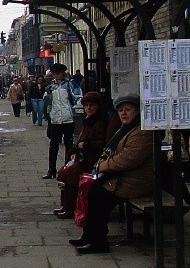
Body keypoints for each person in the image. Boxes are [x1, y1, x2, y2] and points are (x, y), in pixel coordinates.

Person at [70, 94, 154, 254]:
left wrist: (102, 166)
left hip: (137, 180)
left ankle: (99, 242)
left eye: (128, 110)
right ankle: (89, 236)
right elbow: (111, 151)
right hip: (124, 176)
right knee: (91, 191)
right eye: (121, 110)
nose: (123, 113)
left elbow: (128, 159)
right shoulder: (125, 129)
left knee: (98, 196)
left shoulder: (142, 132)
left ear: (137, 111)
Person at [54, 91, 107, 219]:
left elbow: (100, 144)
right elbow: (80, 141)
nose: (88, 108)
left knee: (69, 176)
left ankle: (71, 207)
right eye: (86, 106)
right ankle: (65, 205)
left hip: (92, 161)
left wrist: (85, 146)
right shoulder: (88, 121)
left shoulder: (99, 123)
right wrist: (75, 151)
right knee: (63, 172)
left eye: (91, 105)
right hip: (83, 157)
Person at [42, 63, 82, 179]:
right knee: (53, 145)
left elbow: (78, 97)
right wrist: (47, 96)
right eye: (54, 74)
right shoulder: (51, 86)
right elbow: (47, 102)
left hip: (68, 118)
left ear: (63, 73)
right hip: (55, 119)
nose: (55, 76)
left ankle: (67, 168)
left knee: (68, 144)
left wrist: (74, 111)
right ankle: (51, 169)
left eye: (57, 74)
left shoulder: (70, 84)